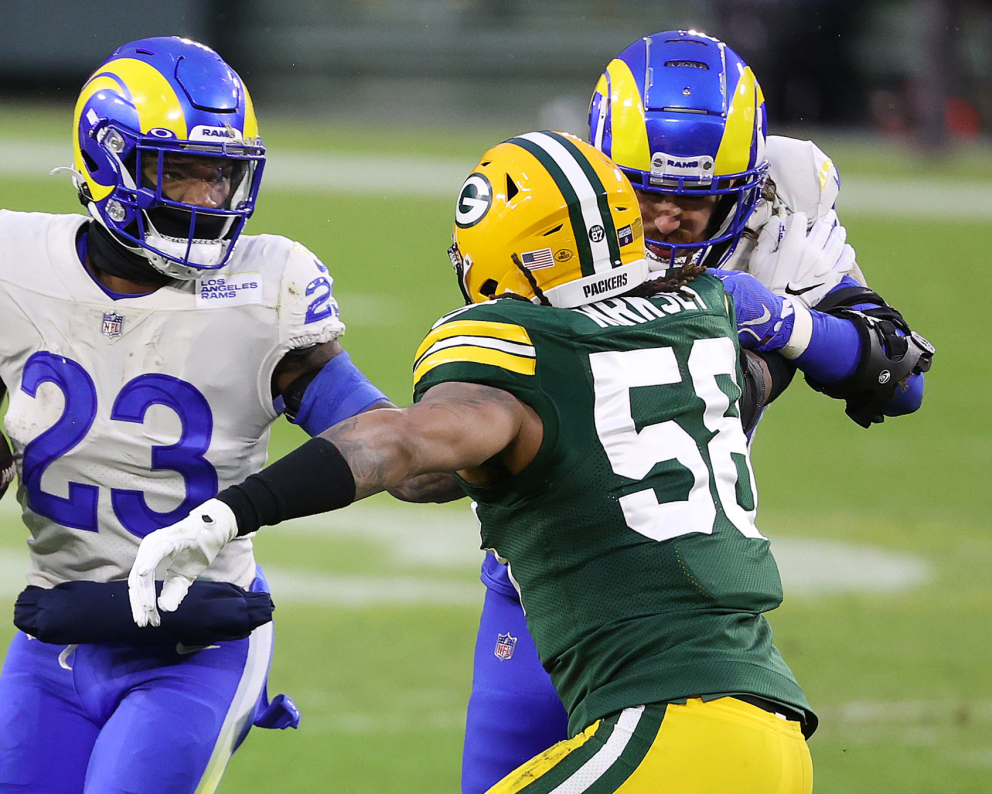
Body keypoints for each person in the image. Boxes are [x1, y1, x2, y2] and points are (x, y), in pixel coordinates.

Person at [129, 131, 816, 792]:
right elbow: (437, 473)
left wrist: (230, 512)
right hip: (769, 728)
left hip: (669, 728)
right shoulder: (698, 317)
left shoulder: (518, 350)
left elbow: (401, 446)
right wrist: (812, 326)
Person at [0, 37, 390, 794]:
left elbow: (380, 437)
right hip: (57, 633)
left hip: (199, 641)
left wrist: (458, 442)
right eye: (185, 172)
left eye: (222, 175)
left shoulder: (268, 290)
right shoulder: (2, 264)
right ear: (106, 161)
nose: (207, 199)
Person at [458, 30, 935, 793]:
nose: (672, 220)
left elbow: (897, 372)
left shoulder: (783, 201)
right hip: (541, 577)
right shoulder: (549, 205)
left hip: (677, 601)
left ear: (747, 188)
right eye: (649, 195)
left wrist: (786, 323)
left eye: (698, 200)